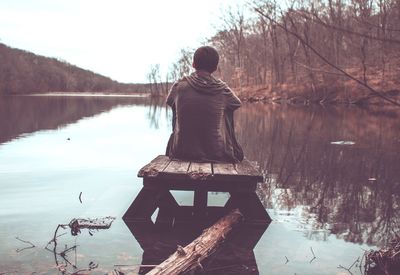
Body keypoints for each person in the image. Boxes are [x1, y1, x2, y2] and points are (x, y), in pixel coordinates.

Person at [166, 46, 244, 163]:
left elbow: (170, 101)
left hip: (180, 151)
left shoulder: (179, 86)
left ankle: (183, 142)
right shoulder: (222, 89)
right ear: (215, 67)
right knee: (226, 110)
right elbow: (236, 103)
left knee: (177, 107)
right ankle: (215, 146)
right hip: (216, 153)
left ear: (193, 64)